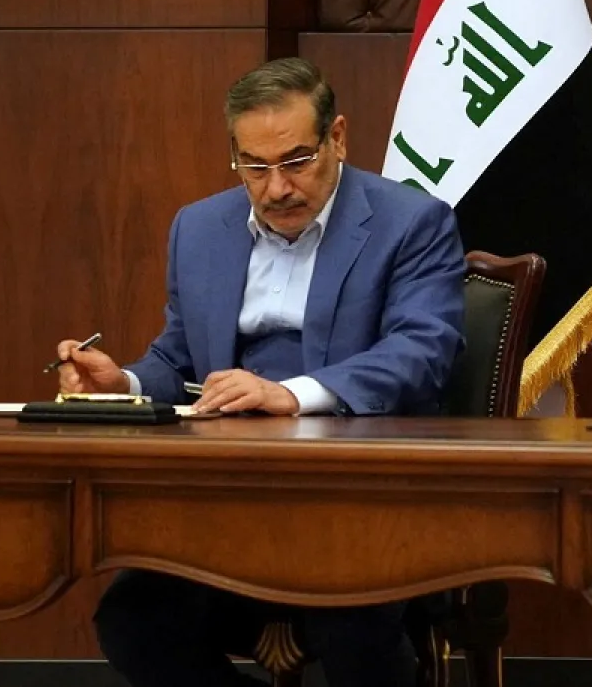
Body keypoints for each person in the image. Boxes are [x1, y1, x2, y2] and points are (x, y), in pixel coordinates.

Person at [54, 58, 466, 687]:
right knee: (132, 620)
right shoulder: (199, 228)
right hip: (224, 503)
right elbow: (179, 359)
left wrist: (293, 395)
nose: (277, 188)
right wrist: (124, 386)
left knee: (354, 624)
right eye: (256, 167)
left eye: (297, 161)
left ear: (338, 139)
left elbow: (422, 350)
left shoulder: (410, 222)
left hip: (360, 501)